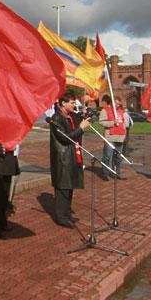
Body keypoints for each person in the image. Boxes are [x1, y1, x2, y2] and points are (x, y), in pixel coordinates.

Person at [48, 93, 90, 228]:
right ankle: (61, 216)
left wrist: (86, 115)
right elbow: (65, 138)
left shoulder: (70, 116)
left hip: (72, 156)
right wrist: (81, 128)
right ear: (63, 103)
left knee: (69, 186)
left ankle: (66, 213)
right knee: (63, 187)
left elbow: (80, 121)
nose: (74, 105)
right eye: (71, 102)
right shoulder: (56, 118)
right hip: (63, 158)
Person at [99, 95, 127, 179]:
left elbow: (123, 123)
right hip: (110, 137)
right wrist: (112, 123)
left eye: (119, 103)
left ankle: (116, 173)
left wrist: (124, 132)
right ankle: (105, 174)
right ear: (112, 102)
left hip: (120, 136)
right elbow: (101, 122)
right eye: (116, 103)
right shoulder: (105, 110)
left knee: (118, 157)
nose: (118, 105)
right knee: (107, 156)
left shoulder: (121, 111)